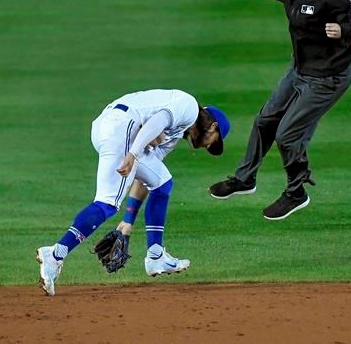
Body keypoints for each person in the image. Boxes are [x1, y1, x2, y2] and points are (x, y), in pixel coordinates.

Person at [203, 0, 351, 221]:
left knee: (287, 134)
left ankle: (297, 193)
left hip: (329, 78)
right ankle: (245, 180)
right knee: (264, 120)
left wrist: (344, 29)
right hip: (299, 70)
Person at [36, 89, 230, 295]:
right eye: (214, 141)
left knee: (163, 183)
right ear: (213, 126)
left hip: (110, 127)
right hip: (122, 126)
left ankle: (156, 255)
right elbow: (157, 121)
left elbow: (148, 178)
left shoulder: (174, 134)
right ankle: (55, 254)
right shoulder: (189, 106)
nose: (207, 147)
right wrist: (133, 154)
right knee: (106, 203)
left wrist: (128, 220)